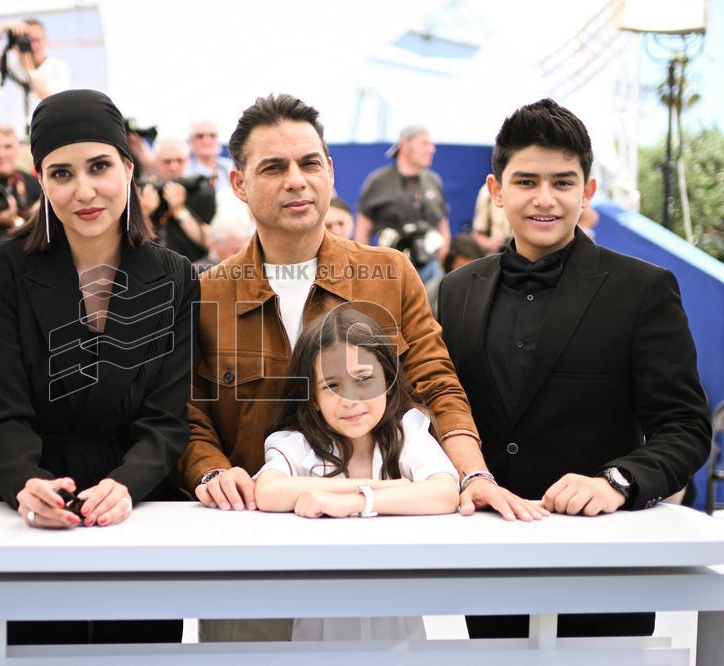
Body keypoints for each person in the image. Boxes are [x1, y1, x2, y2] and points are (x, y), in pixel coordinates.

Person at [179, 94, 483, 643]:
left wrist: (473, 474)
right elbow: (187, 411)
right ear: (239, 184)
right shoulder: (206, 295)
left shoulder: (389, 275)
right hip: (247, 557)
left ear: (330, 170)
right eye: (273, 167)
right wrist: (210, 470)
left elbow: (439, 384)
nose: (296, 180)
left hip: (373, 563)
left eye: (309, 163)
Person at [437, 98, 711, 639]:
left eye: (563, 182)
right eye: (526, 181)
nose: (545, 199)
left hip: (604, 555)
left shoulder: (643, 289)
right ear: (496, 191)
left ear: (587, 191)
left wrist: (617, 481)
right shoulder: (456, 289)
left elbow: (685, 428)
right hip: (486, 553)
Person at [0, 89, 199, 645]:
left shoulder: (174, 276)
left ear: (128, 167)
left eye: (99, 166)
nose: (84, 191)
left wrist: (127, 484)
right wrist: (24, 484)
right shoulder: (4, 267)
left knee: (142, 652)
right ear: (40, 180)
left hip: (139, 502)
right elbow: (1, 408)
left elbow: (167, 418)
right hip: (37, 501)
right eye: (62, 173)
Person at [254, 307, 458, 640]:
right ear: (314, 399)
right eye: (331, 385)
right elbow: (267, 491)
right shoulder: (299, 445)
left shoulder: (407, 431)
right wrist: (372, 487)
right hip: (321, 621)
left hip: (395, 618)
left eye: (364, 379)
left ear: (389, 381)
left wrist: (355, 502)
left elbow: (445, 491)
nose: (350, 399)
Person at [354, 124, 450, 284]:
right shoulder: (378, 181)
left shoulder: (434, 180)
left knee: (433, 307)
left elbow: (443, 226)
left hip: (430, 268)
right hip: (388, 270)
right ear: (405, 145)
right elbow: (362, 231)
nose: (432, 149)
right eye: (425, 143)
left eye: (432, 144)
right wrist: (365, 268)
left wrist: (441, 259)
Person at [0, 18, 71, 132]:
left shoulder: (58, 66)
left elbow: (53, 101)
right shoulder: (14, 64)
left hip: (46, 131)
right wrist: (2, 29)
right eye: (28, 41)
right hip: (18, 132)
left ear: (46, 41)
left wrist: (28, 69)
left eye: (37, 40)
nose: (33, 46)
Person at [143, 136, 214, 263]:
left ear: (187, 160)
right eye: (167, 161)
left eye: (179, 161)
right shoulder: (145, 193)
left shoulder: (202, 192)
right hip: (153, 268)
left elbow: (210, 242)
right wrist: (144, 213)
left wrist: (179, 210)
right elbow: (132, 243)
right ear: (157, 162)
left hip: (194, 268)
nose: (173, 166)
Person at [185, 119, 233, 191]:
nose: (206, 141)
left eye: (212, 135)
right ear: (191, 141)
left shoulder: (231, 166)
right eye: (200, 136)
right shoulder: (185, 170)